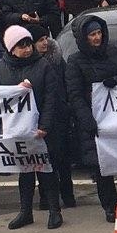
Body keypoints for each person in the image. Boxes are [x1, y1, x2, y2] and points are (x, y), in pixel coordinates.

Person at [66, 14, 117, 222]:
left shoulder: (112, 51)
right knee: (102, 167)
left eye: (99, 33)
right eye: (92, 35)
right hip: (95, 121)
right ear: (83, 38)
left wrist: (115, 81)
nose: (97, 38)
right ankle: (110, 206)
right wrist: (87, 120)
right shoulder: (75, 61)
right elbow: (75, 95)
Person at [0, 25, 63, 229]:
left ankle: (54, 211)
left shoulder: (43, 65)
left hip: (40, 129)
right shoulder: (0, 68)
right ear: (11, 48)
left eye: (29, 44)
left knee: (46, 170)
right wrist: (15, 90)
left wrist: (44, 125)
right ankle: (25, 211)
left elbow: (51, 97)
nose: (28, 49)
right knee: (25, 171)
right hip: (17, 130)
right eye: (22, 46)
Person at [33, 33, 78, 209]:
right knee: (43, 159)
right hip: (39, 117)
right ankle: (46, 197)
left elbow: (68, 83)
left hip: (60, 114)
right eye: (40, 40)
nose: (44, 42)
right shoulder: (31, 64)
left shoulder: (58, 61)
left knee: (63, 158)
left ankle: (68, 195)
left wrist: (68, 105)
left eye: (45, 38)